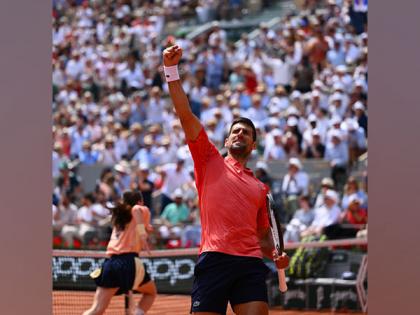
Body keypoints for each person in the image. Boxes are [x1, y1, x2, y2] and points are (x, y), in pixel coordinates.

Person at [163, 44, 288, 315]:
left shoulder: (260, 187)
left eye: (246, 132)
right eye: (236, 131)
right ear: (227, 139)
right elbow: (185, 115)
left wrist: (275, 255)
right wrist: (171, 70)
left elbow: (264, 238)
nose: (240, 134)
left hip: (250, 264)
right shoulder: (208, 160)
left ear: (253, 145)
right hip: (214, 259)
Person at [83, 190, 156, 315]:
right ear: (140, 201)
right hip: (129, 262)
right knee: (150, 293)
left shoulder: (119, 216)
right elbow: (137, 210)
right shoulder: (139, 209)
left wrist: (145, 229)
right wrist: (143, 234)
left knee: (97, 309)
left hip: (110, 263)